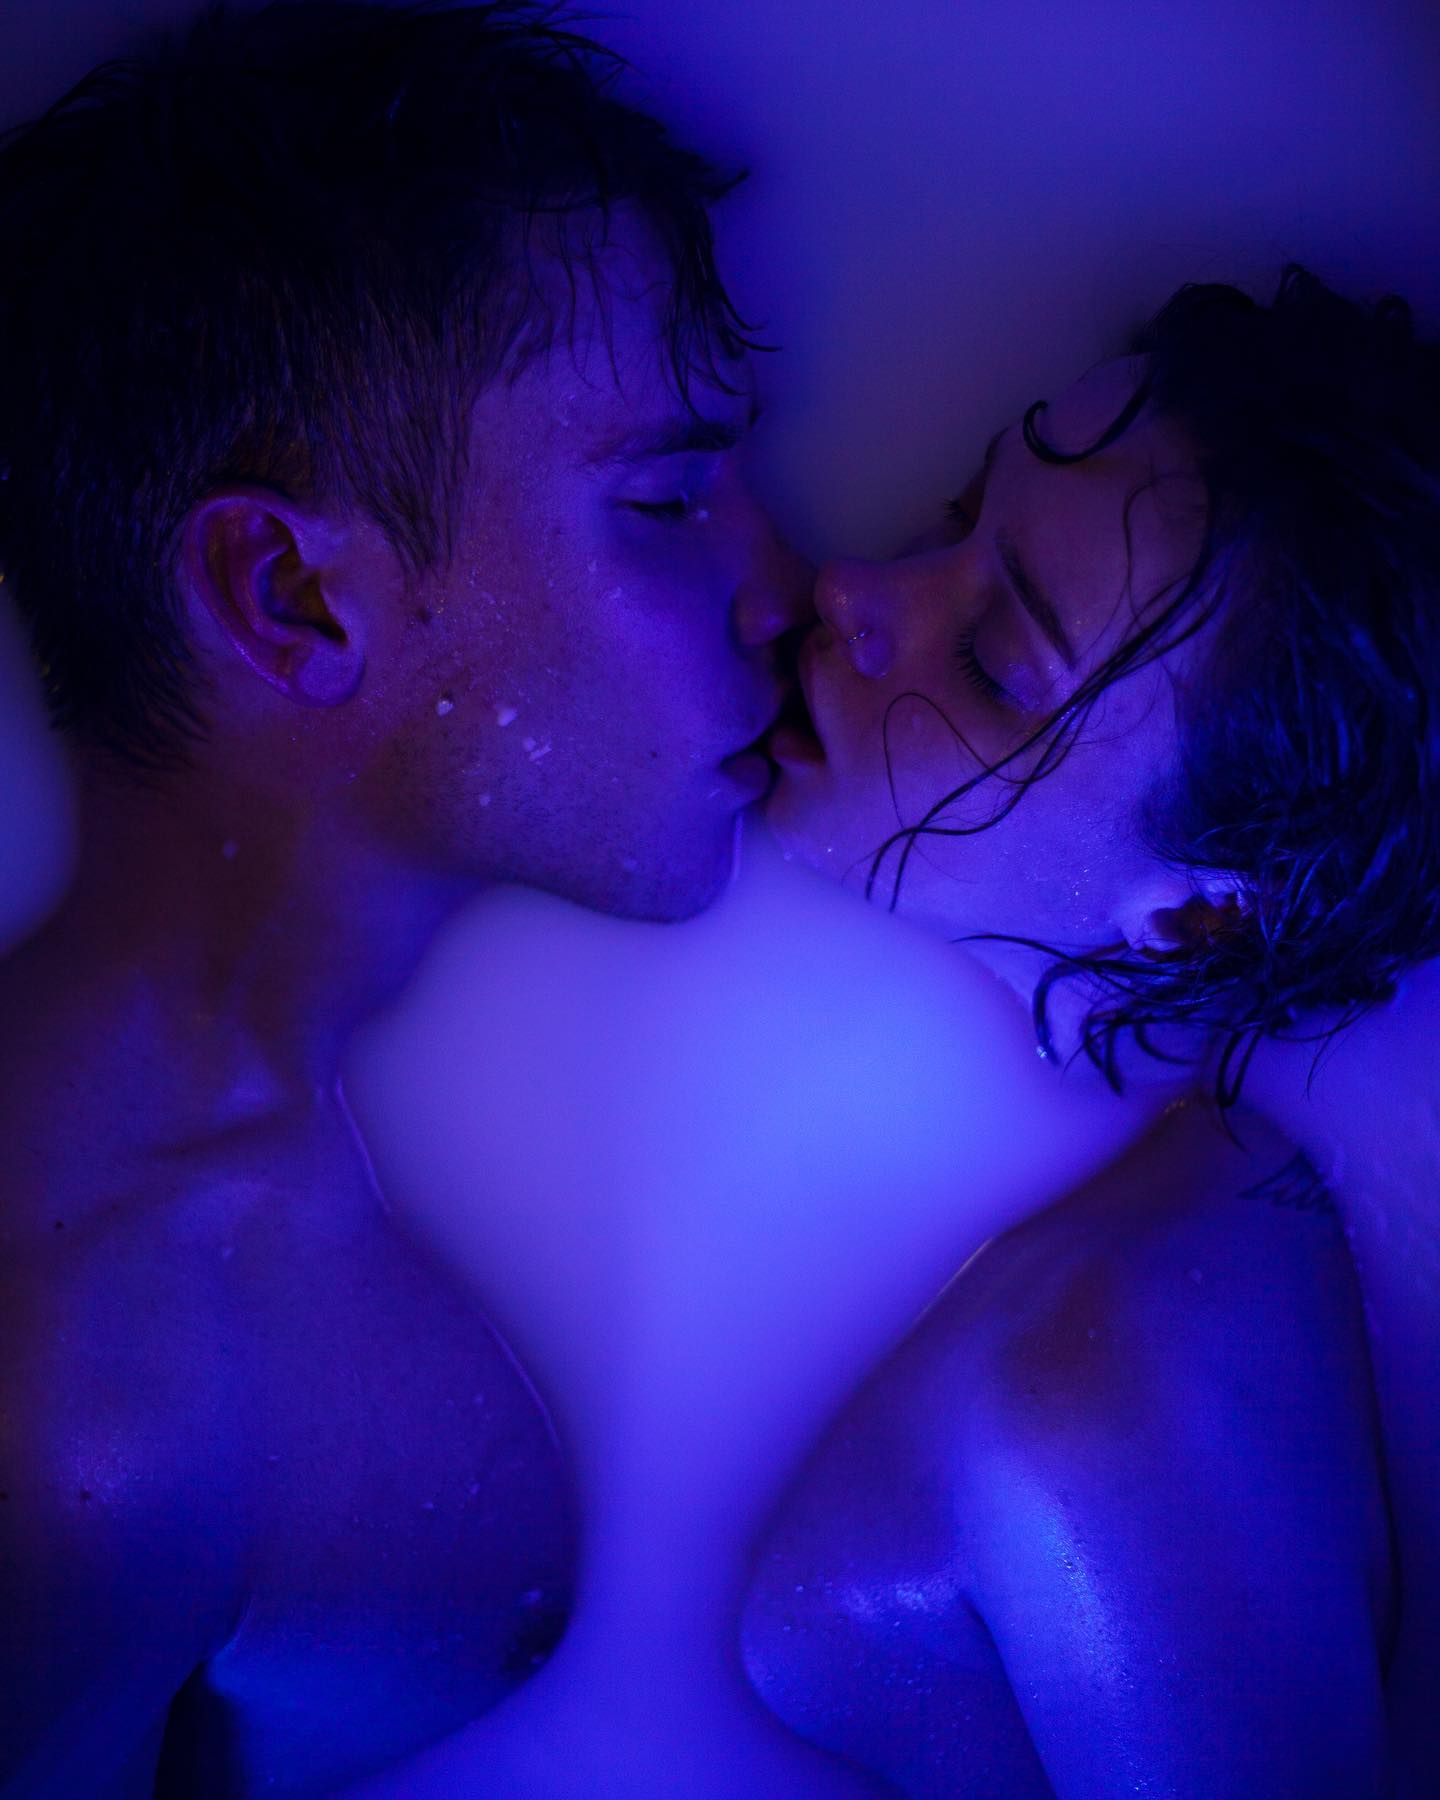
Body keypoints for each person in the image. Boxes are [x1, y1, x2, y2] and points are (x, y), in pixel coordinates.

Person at [0, 2, 813, 1792]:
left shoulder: (277, 1131)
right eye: (669, 501)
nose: (789, 590)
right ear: (293, 602)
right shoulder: (98, 1425)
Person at [743, 266, 1439, 1795]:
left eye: (997, 664)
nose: (859, 595)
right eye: (955, 517)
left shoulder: (1105, 1392)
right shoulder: (1167, 1212)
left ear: (1192, 922)